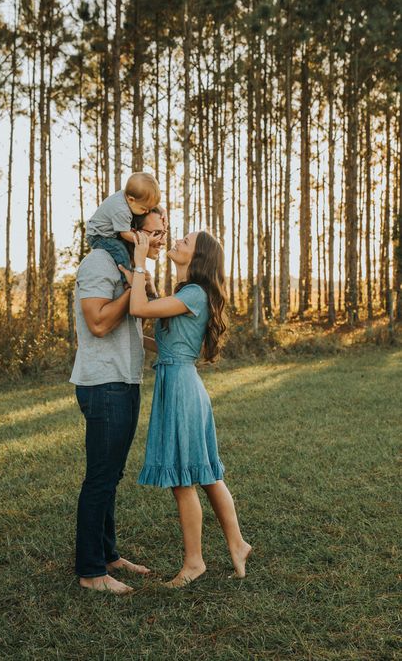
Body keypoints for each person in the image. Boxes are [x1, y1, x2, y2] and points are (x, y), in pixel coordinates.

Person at [119, 230, 252, 588]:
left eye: (186, 241)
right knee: (207, 475)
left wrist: (139, 261)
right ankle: (237, 544)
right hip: (179, 383)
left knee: (184, 479)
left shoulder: (193, 293)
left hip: (181, 389)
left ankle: (194, 563)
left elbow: (138, 309)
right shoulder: (186, 294)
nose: (177, 241)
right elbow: (162, 344)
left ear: (198, 257)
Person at [71, 207, 167, 595]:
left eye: (164, 232)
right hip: (103, 383)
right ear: (132, 233)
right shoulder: (98, 263)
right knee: (100, 479)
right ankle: (91, 571)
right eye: (154, 232)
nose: (160, 239)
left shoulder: (129, 267)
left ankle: (108, 555)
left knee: (112, 476)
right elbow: (97, 323)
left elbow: (127, 330)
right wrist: (134, 285)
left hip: (126, 380)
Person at [86, 172, 161, 280]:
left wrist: (162, 210)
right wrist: (146, 241)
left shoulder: (129, 196)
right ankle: (126, 278)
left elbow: (145, 200)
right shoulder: (122, 210)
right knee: (120, 250)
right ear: (131, 199)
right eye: (144, 209)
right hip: (98, 236)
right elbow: (125, 234)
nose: (147, 212)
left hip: (106, 232)